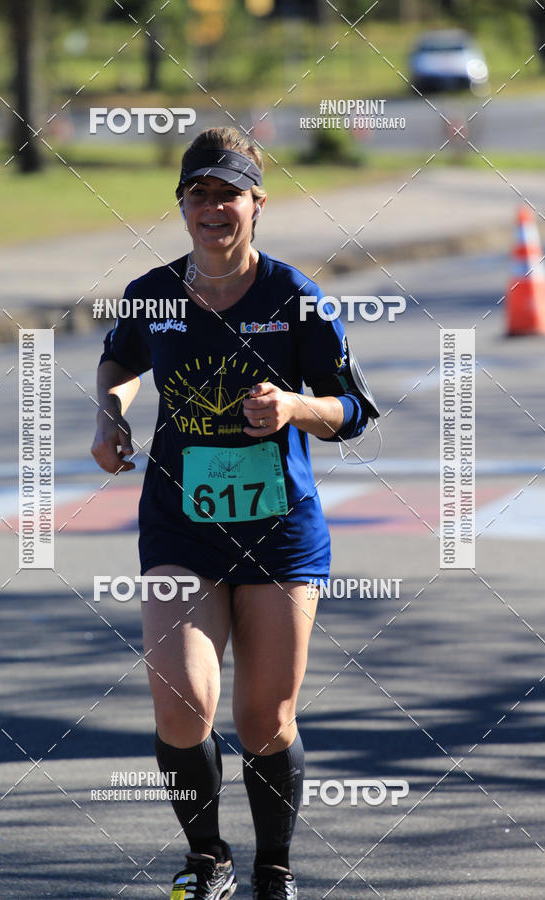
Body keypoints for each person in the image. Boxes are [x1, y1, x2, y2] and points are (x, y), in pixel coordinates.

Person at [91, 126, 379, 900]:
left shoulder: (295, 297)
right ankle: (207, 856)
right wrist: (111, 414)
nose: (213, 208)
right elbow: (120, 357)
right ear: (182, 205)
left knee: (263, 718)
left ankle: (274, 869)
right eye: (199, 194)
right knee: (182, 706)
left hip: (279, 529)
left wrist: (293, 406)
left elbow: (352, 410)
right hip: (180, 523)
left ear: (258, 204)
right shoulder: (153, 292)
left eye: (229, 194)